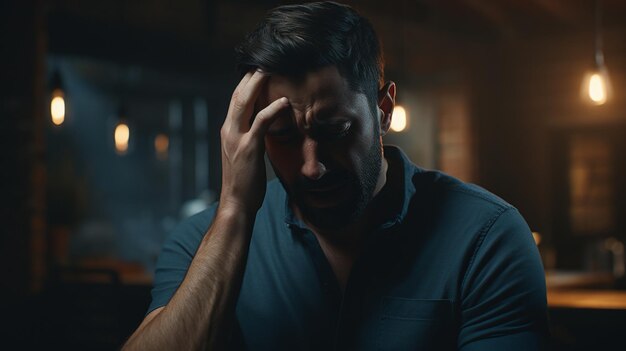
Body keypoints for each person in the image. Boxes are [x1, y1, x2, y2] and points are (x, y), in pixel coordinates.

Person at [123, 2, 548, 350]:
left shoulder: (486, 238)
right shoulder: (201, 243)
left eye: (334, 131)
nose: (312, 166)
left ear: (383, 111)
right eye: (283, 136)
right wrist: (234, 212)